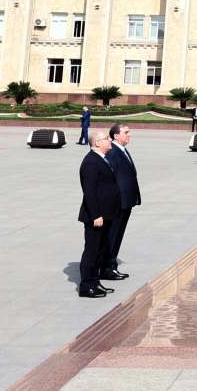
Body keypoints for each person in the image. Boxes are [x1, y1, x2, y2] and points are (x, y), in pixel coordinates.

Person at [77, 129, 119, 298]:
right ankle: (86, 285)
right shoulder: (91, 162)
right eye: (106, 138)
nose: (110, 140)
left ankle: (95, 282)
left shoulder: (101, 159)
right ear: (97, 143)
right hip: (96, 216)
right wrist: (96, 215)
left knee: (100, 250)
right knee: (92, 251)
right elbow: (90, 192)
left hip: (106, 214)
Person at [104, 124, 139, 279]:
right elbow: (110, 179)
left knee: (118, 235)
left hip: (126, 202)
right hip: (118, 203)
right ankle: (106, 267)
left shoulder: (122, 150)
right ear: (116, 136)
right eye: (126, 132)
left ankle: (111, 265)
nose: (129, 135)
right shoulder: (113, 152)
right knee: (112, 235)